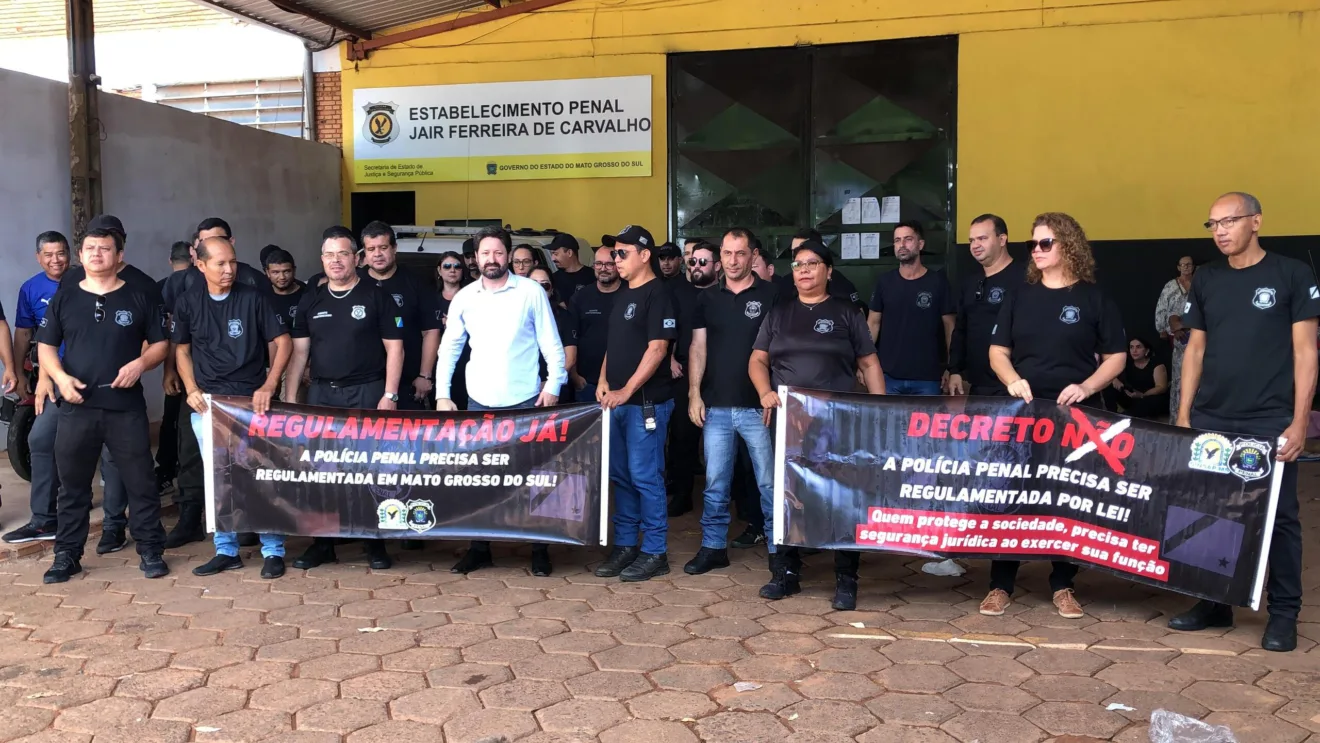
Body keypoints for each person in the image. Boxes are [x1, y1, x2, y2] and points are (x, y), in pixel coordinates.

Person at [1167, 192, 1318, 653]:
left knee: (1279, 518)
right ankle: (1214, 603)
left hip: (1269, 417)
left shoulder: (1291, 273)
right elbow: (1194, 349)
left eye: (1229, 221)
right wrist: (1184, 415)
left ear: (1256, 221)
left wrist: (1298, 422)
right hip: (1213, 416)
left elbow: (1306, 351)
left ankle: (1284, 613)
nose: (1221, 231)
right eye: (1212, 224)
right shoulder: (1208, 280)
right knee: (1209, 510)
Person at [984, 212, 1126, 619]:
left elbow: (1116, 357)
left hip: (1074, 417)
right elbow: (997, 352)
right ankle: (1000, 583)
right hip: (1025, 412)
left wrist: (1087, 387)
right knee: (1013, 493)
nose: (1037, 251)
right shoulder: (1020, 295)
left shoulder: (1094, 298)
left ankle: (1063, 584)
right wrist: (1011, 381)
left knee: (1068, 497)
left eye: (1046, 243)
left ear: (1068, 245)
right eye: (1033, 244)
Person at [749, 239, 884, 609]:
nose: (803, 270)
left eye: (811, 263)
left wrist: (879, 409)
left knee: (842, 497)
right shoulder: (779, 313)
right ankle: (786, 573)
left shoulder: (846, 313)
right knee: (790, 496)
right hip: (790, 421)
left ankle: (846, 577)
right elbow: (757, 361)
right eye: (797, 264)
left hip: (839, 421)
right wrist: (764, 392)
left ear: (828, 270)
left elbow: (869, 364)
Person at [36, 225, 171, 583]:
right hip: (77, 406)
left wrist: (141, 364)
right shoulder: (65, 297)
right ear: (81, 256)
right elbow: (46, 345)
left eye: (106, 249)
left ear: (119, 255)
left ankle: (151, 549)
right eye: (90, 248)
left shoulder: (139, 295)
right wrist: (60, 379)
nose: (97, 254)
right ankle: (67, 554)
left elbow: (160, 344)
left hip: (124, 406)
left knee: (140, 480)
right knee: (73, 485)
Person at [437, 226, 566, 577]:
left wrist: (554, 384)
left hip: (527, 402)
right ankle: (481, 548)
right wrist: (443, 394)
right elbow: (449, 348)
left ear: (508, 255)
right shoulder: (464, 296)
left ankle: (539, 549)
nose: (491, 259)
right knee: (481, 479)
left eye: (497, 253)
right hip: (479, 403)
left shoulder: (530, 292)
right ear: (474, 258)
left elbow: (551, 344)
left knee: (533, 478)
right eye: (484, 253)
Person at [284, 226, 405, 571]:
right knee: (324, 471)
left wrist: (390, 395)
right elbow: (299, 353)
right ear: (321, 259)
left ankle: (374, 542)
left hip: (368, 392)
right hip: (323, 395)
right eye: (329, 254)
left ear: (357, 258)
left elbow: (395, 348)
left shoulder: (376, 295)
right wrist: (292, 398)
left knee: (371, 471)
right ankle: (323, 544)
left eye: (343, 254)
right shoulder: (311, 298)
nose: (335, 261)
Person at [173, 237, 292, 579]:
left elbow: (282, 342)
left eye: (232, 263)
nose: (228, 270)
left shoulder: (253, 298)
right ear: (201, 265)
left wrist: (270, 384)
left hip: (251, 403)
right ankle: (226, 550)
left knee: (260, 475)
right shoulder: (188, 302)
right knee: (219, 480)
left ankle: (273, 550)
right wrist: (191, 389)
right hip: (210, 405)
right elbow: (181, 350)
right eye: (220, 264)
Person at [685, 227, 780, 575]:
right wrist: (694, 394)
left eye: (741, 253)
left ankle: (777, 549)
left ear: (753, 255)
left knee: (768, 483)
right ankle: (713, 548)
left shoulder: (773, 295)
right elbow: (698, 348)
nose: (734, 260)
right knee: (715, 484)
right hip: (717, 406)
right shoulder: (706, 299)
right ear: (720, 256)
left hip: (760, 407)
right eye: (727, 253)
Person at [593, 225, 679, 582]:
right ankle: (626, 545)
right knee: (621, 477)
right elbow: (615, 346)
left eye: (622, 253)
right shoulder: (623, 295)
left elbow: (658, 348)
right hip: (616, 402)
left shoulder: (658, 294)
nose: (616, 259)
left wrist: (626, 390)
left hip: (645, 404)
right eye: (614, 253)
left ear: (645, 256)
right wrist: (602, 381)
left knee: (646, 478)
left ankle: (655, 551)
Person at [4, 231, 69, 544]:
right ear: (38, 257)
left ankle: (116, 516)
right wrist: (18, 370)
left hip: (95, 377)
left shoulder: (85, 282)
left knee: (109, 449)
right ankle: (44, 520)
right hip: (52, 378)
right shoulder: (31, 288)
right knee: (41, 439)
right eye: (49, 254)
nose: (56, 260)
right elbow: (23, 332)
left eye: (61, 253)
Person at [360, 221, 443, 411]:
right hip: (363, 385)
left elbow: (431, 331)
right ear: (365, 253)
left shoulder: (416, 283)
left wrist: (425, 375)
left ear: (394, 248)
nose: (377, 254)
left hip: (409, 384)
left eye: (383, 247)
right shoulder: (356, 282)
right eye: (371, 249)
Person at [867, 221, 955, 394]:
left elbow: (950, 327)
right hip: (887, 376)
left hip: (928, 378)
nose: (902, 245)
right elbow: (872, 324)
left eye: (908, 239)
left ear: (920, 244)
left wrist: (953, 368)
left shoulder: (938, 282)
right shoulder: (884, 282)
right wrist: (864, 365)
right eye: (897, 240)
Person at [666, 242, 719, 516]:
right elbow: (670, 329)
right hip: (685, 372)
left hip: (720, 373)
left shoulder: (724, 294)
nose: (696, 266)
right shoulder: (677, 293)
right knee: (682, 437)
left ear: (716, 266)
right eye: (693, 261)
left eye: (703, 262)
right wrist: (670, 358)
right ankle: (682, 494)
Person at [948, 214, 1026, 396]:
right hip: (977, 385)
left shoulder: (1025, 278)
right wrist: (955, 370)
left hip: (1015, 384)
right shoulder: (970, 283)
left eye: (982, 238)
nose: (975, 245)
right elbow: (960, 329)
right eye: (972, 240)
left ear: (1002, 239)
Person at [154, 241, 194, 494]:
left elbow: (168, 334)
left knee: (172, 419)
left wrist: (168, 371)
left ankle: (166, 470)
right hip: (196, 363)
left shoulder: (160, 288)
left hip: (176, 362)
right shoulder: (198, 284)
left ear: (170, 260)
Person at [567, 245, 621, 404]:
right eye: (599, 264)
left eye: (609, 264)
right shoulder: (580, 298)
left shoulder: (630, 296)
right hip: (587, 383)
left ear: (618, 265)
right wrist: (575, 377)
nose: (603, 268)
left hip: (622, 384)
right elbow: (570, 339)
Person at [1155, 256, 1196, 422]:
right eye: (1183, 264)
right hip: (1178, 335)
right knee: (1180, 377)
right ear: (1178, 267)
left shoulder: (1199, 284)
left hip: (1198, 333)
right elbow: (1162, 308)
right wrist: (1163, 328)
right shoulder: (1171, 286)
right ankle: (1178, 417)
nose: (1186, 267)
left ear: (1193, 267)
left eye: (1189, 264)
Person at [529, 267, 578, 403]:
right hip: (521, 392)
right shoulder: (513, 316)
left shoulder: (565, 316)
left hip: (554, 390)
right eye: (534, 284)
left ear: (551, 289)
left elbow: (570, 358)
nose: (539, 290)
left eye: (544, 285)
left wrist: (550, 385)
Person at [434, 251, 472, 410]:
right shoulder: (430, 298)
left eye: (457, 266)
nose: (452, 270)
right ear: (439, 270)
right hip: (438, 363)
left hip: (468, 362)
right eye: (447, 266)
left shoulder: (471, 296)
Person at [1103, 337, 1169, 418]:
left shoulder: (1156, 364)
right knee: (1108, 385)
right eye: (1131, 347)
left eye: (1138, 347)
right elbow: (1109, 372)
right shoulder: (1127, 362)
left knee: (1151, 401)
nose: (1134, 351)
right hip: (1132, 395)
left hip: (1150, 397)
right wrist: (1114, 379)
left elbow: (1161, 387)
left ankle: (1123, 418)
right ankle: (1111, 415)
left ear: (1147, 351)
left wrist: (1142, 395)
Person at [548, 233, 595, 301]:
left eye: (556, 254)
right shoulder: (553, 279)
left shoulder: (592, 276)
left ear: (569, 253)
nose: (552, 258)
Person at [265, 248, 306, 323]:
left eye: (286, 271)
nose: (282, 277)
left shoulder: (308, 294)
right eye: (275, 272)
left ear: (294, 270)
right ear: (267, 273)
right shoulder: (262, 298)